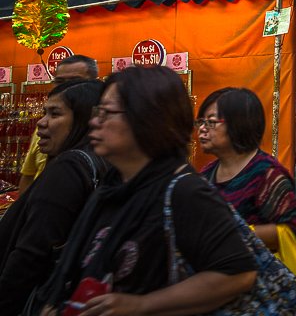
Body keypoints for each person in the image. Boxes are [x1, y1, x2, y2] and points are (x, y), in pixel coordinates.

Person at [31, 66, 257, 314]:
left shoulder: (184, 191)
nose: (94, 121)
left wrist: (142, 305)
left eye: (107, 113)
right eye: (98, 111)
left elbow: (238, 273)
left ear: (147, 119)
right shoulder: (113, 186)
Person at [0, 79, 106, 311]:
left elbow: (32, 253)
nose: (41, 123)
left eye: (55, 114)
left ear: (83, 119)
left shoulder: (69, 168)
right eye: (44, 113)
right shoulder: (97, 161)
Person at [197, 87, 296, 250]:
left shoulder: (267, 174)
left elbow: (293, 231)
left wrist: (233, 235)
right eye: (201, 121)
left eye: (211, 122)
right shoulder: (205, 174)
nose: (202, 128)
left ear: (238, 124)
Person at [17, 54, 99, 193]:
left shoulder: (102, 137)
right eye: (60, 82)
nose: (66, 87)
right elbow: (28, 177)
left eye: (75, 81)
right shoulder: (43, 131)